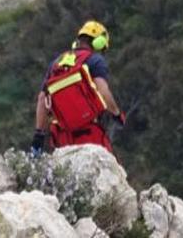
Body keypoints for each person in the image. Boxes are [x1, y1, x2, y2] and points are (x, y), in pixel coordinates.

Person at [31, 20, 126, 155]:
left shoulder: (56, 63)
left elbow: (42, 99)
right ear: (97, 42)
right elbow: (103, 91)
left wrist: (39, 134)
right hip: (89, 132)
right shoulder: (95, 60)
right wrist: (117, 114)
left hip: (62, 136)